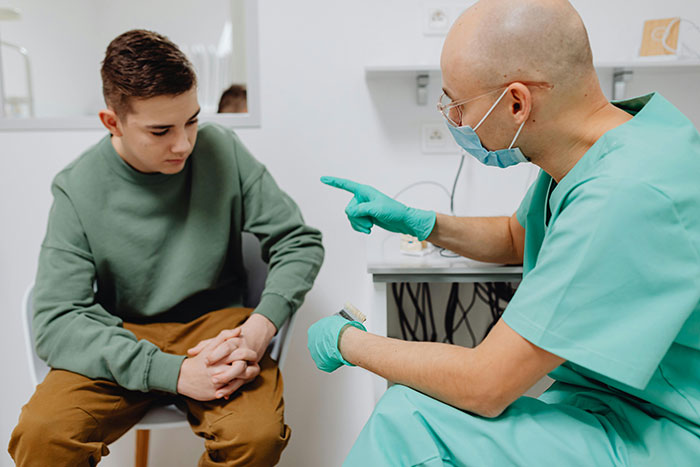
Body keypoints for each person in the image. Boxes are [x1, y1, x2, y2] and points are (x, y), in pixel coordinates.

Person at [308, 0, 700, 465]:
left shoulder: (623, 191)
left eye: (456, 106)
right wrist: (420, 221)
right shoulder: (606, 144)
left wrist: (348, 342)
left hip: (667, 433)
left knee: (408, 419)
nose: (454, 122)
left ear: (516, 102)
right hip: (615, 405)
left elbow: (485, 385)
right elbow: (520, 237)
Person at [9, 29, 324, 466]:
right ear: (112, 122)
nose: (184, 144)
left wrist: (259, 328)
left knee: (256, 437)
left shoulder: (222, 151)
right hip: (121, 336)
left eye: (192, 120)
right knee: (43, 437)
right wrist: (172, 373)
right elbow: (57, 319)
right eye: (160, 130)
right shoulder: (77, 187)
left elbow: (298, 241)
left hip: (219, 332)